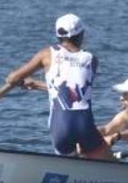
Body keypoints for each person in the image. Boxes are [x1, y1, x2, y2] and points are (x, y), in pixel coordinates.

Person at [6, 12, 109, 158]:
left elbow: (12, 78)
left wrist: (26, 81)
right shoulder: (92, 60)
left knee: (68, 168)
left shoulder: (46, 54)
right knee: (109, 163)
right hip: (85, 124)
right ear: (81, 35)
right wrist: (35, 84)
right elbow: (73, 90)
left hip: (60, 126)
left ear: (58, 36)